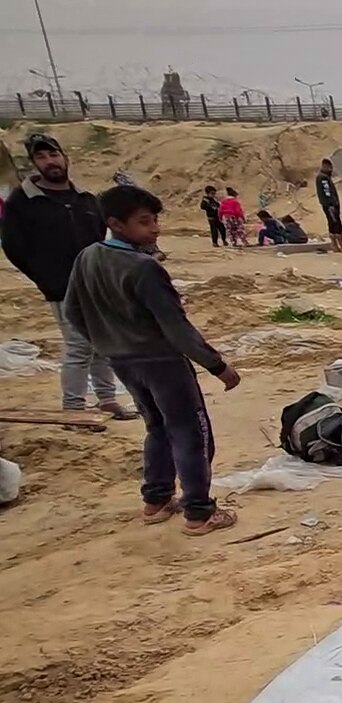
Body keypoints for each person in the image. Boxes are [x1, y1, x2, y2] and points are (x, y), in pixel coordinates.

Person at [62, 185, 243, 536]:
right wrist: (218, 366)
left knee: (156, 427)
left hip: (123, 362)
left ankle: (156, 500)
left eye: (155, 220)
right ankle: (199, 512)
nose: (154, 229)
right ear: (115, 223)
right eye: (144, 222)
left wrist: (106, 342)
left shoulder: (87, 257)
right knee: (191, 432)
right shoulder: (143, 268)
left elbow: (73, 312)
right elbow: (176, 327)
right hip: (161, 362)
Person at [0, 133, 136, 420]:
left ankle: (107, 398)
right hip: (62, 286)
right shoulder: (23, 201)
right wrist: (45, 276)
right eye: (41, 157)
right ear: (34, 163)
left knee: (103, 343)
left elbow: (100, 235)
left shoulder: (84, 198)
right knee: (78, 346)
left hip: (96, 283)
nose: (50, 161)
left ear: (64, 157)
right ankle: (73, 407)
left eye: (53, 154)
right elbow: (13, 245)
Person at [316, 158, 342, 253]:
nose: (331, 170)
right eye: (329, 167)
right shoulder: (323, 178)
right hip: (330, 205)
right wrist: (331, 204)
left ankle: (336, 246)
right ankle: (340, 246)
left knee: (332, 224)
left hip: (329, 204)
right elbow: (327, 192)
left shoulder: (324, 177)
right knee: (336, 224)